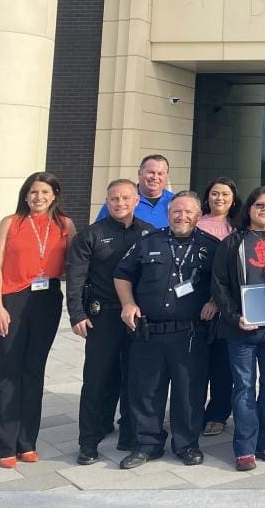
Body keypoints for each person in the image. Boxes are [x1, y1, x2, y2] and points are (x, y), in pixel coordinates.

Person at [113, 191, 219, 469]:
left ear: (198, 216)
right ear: (169, 214)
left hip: (190, 335)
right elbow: (122, 274)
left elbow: (226, 281)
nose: (182, 216)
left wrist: (214, 301)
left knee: (189, 392)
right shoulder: (149, 242)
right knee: (146, 391)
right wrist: (128, 304)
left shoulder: (212, 246)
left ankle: (186, 444)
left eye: (188, 212)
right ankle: (147, 444)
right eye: (176, 212)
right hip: (149, 332)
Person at [0, 172, 76, 468]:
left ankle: (27, 442)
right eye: (33, 192)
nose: (39, 197)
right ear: (25, 196)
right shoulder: (10, 222)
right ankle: (4, 446)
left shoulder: (65, 225)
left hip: (47, 299)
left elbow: (76, 265)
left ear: (54, 195)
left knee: (34, 370)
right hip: (12, 299)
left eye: (45, 192)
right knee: (10, 372)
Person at [66, 179, 155, 465]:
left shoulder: (148, 233)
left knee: (135, 378)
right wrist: (77, 314)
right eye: (114, 199)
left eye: (126, 198)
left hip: (137, 317)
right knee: (97, 379)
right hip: (102, 316)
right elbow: (75, 277)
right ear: (107, 201)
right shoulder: (91, 235)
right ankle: (88, 441)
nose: (120, 203)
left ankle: (130, 434)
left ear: (136, 200)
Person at [210, 186, 265, 472]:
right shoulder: (233, 242)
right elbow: (219, 284)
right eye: (259, 205)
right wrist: (234, 316)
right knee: (244, 388)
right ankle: (245, 447)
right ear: (248, 208)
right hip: (242, 330)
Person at [198, 177, 240, 438]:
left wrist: (217, 301)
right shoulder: (195, 222)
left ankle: (218, 413)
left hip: (226, 305)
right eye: (215, 193)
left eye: (225, 194)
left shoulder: (238, 229)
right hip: (195, 305)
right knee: (198, 363)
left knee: (224, 364)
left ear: (233, 199)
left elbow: (235, 273)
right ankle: (193, 410)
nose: (219, 198)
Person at [97, 154, 174, 228]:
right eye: (151, 172)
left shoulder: (175, 202)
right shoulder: (119, 202)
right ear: (139, 173)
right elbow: (98, 233)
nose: (155, 177)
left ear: (166, 176)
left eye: (160, 173)